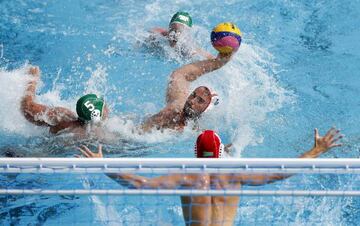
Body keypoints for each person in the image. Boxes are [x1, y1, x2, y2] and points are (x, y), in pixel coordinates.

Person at [78, 128, 343, 226]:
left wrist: (105, 165)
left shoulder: (187, 177)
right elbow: (279, 173)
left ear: (195, 154)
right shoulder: (234, 176)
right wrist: (315, 150)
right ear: (220, 153)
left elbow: (140, 184)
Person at [21, 66, 109, 137]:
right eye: (104, 105)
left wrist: (32, 80)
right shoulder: (102, 136)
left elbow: (27, 107)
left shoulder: (62, 118)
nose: (107, 108)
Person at [147, 11, 214, 59]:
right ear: (169, 28)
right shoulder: (158, 36)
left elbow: (210, 58)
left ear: (186, 34)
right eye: (173, 30)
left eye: (180, 32)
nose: (175, 35)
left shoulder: (189, 48)